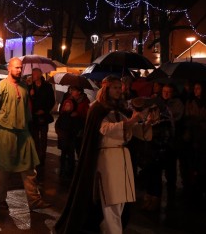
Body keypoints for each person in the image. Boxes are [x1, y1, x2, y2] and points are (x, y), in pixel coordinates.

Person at [55, 76, 146, 233]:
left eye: (120, 87)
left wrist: (147, 122)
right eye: (115, 87)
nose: (119, 90)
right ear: (106, 89)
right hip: (108, 160)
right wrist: (130, 122)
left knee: (120, 204)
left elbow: (133, 130)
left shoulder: (118, 108)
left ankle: (106, 229)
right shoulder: (97, 108)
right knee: (112, 203)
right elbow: (106, 129)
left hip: (123, 160)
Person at [0, 57, 50, 211]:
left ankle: (34, 200)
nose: (19, 70)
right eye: (16, 68)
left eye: (20, 68)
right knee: (2, 169)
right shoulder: (1, 86)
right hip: (6, 132)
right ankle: (0, 200)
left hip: (23, 132)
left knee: (29, 169)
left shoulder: (24, 87)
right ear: (9, 68)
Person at [54, 85, 89, 179]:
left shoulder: (84, 101)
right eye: (71, 90)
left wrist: (78, 115)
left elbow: (85, 115)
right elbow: (61, 114)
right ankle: (65, 169)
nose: (71, 91)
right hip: (66, 132)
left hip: (76, 129)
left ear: (79, 92)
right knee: (65, 153)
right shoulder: (68, 98)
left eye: (73, 90)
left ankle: (76, 169)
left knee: (76, 150)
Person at [29, 67, 55, 165]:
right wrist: (30, 94)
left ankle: (42, 156)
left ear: (40, 75)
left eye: (35, 74)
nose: (33, 76)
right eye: (32, 74)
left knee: (43, 137)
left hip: (44, 116)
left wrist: (44, 110)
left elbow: (51, 100)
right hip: (34, 116)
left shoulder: (47, 86)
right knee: (34, 137)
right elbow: (28, 101)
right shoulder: (30, 86)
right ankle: (36, 155)